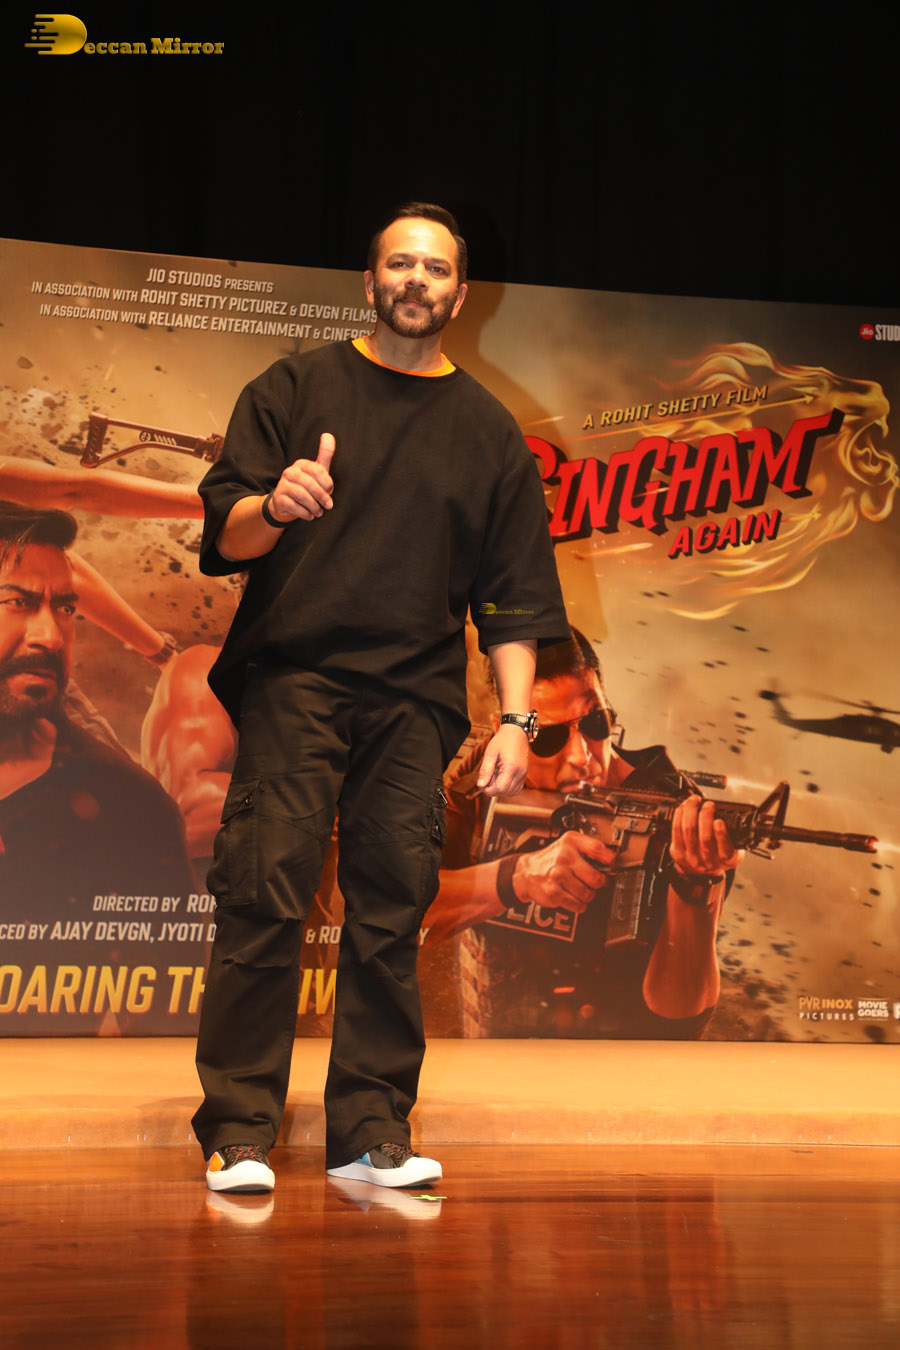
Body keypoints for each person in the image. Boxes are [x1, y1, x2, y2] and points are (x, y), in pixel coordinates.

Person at [192, 203, 569, 1194]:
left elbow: (514, 600)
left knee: (392, 912)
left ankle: (370, 1133)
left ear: (460, 293)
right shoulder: (293, 388)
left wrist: (518, 723)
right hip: (296, 680)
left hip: (415, 702)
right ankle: (239, 1132)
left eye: (435, 269)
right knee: (265, 893)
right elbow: (226, 534)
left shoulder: (489, 433)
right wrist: (274, 506)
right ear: (370, 283)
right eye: (399, 264)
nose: (415, 281)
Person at [423, 629, 742, 1038]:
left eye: (595, 722)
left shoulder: (675, 811)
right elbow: (407, 908)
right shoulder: (490, 769)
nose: (582, 756)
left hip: (615, 1062)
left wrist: (698, 886)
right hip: (494, 1056)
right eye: (550, 737)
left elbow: (680, 1019)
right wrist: (516, 878)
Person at [0, 502, 195, 1034]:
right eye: (18, 602)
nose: (51, 636)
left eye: (66, 609)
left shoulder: (128, 806)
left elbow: (167, 1020)